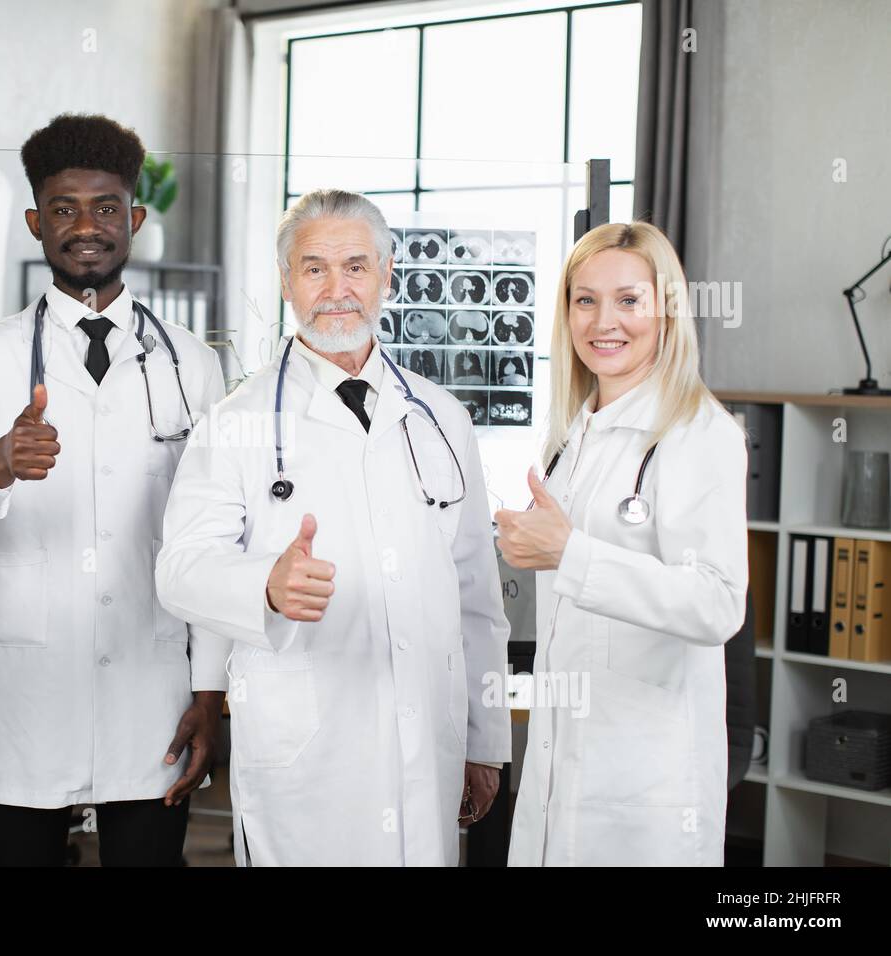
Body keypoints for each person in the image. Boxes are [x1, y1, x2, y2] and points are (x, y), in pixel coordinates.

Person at [155, 188, 510, 866]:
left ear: (387, 275)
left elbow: (474, 597)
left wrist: (483, 741)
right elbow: (179, 568)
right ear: (287, 281)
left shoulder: (440, 417)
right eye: (314, 267)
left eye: (355, 266)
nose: (337, 288)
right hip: (305, 759)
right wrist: (265, 584)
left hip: (425, 749)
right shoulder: (237, 421)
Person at [0, 114, 228, 867]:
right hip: (33, 695)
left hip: (152, 691)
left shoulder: (191, 363)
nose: (85, 226)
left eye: (105, 207)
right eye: (63, 209)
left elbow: (220, 538)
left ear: (135, 218)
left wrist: (211, 692)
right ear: (36, 222)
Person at [496, 221, 747, 866]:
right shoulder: (574, 436)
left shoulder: (697, 432)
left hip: (645, 786)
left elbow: (718, 603)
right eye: (586, 300)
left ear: (665, 309)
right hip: (562, 764)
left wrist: (570, 554)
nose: (604, 321)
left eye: (629, 300)